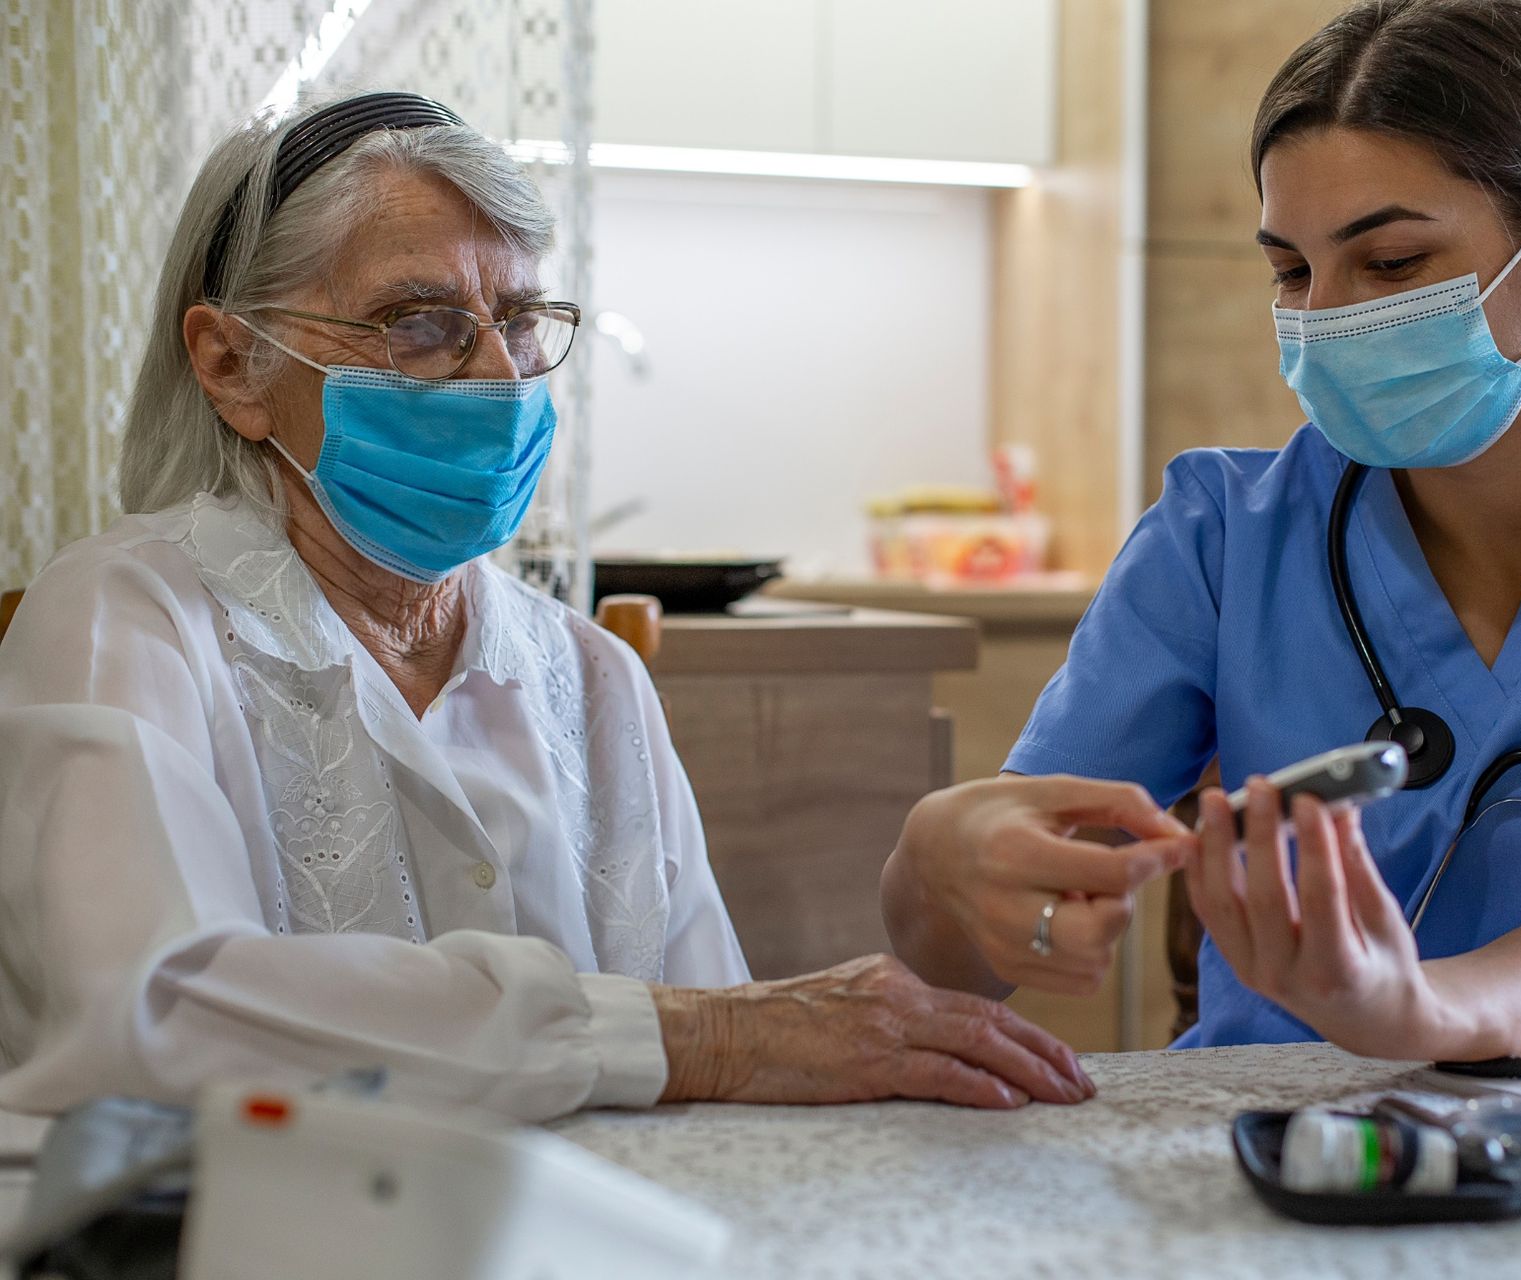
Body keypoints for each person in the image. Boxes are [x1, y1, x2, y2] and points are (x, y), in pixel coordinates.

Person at [0, 91, 1099, 1121]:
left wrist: (735, 1042)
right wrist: (689, 1036)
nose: (498, 375)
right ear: (233, 364)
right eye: (418, 323)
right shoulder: (125, 615)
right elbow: (150, 1013)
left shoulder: (589, 673)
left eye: (520, 318)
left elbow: (732, 1065)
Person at [884, 0, 1521, 1060]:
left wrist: (1409, 1011)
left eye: (1392, 263)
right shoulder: (1221, 539)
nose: (1326, 317)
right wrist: (935, 864)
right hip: (1268, 1164)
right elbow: (948, 959)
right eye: (1291, 271)